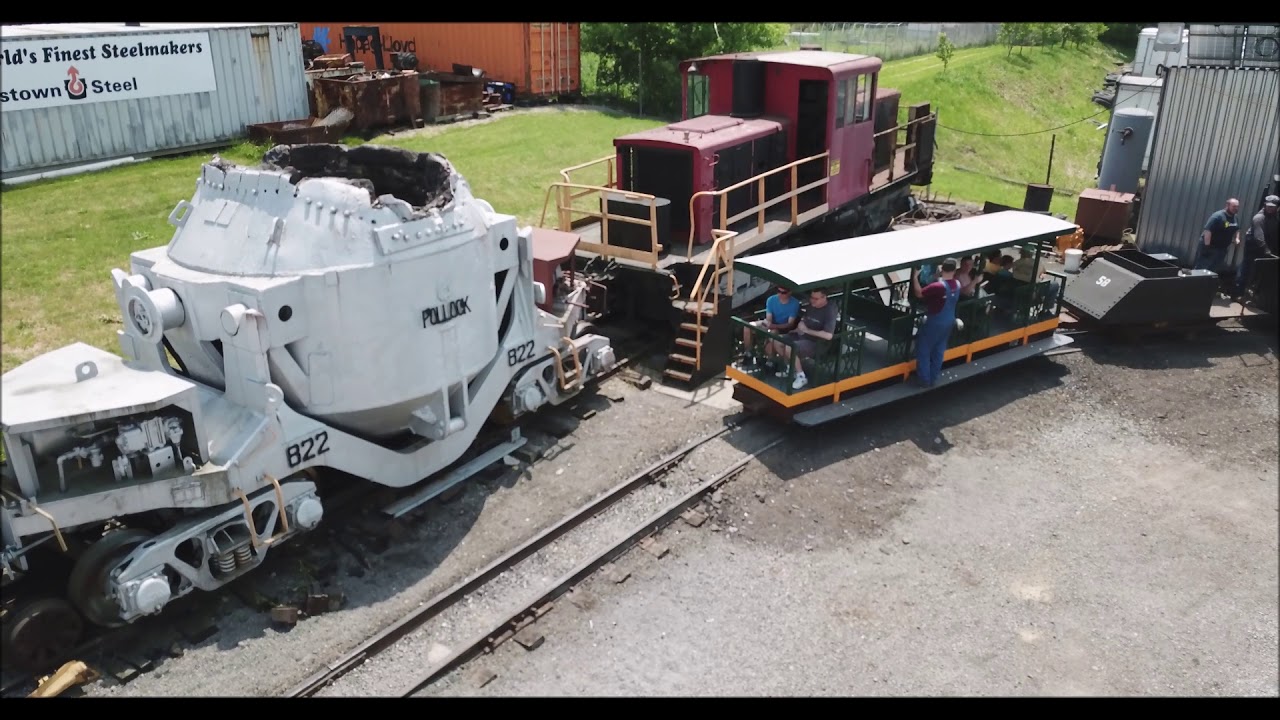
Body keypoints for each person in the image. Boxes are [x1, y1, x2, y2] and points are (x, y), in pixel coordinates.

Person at [911, 258, 963, 388]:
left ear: (941, 268)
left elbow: (919, 293)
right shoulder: (957, 284)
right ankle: (933, 377)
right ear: (955, 270)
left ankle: (924, 379)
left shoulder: (938, 286)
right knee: (939, 350)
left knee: (924, 349)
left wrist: (915, 278)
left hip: (935, 321)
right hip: (949, 320)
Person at [774, 288, 838, 390]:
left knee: (790, 347)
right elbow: (804, 320)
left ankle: (801, 376)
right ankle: (791, 368)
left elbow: (828, 335)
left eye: (815, 298)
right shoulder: (811, 306)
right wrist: (800, 326)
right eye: (811, 298)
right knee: (777, 340)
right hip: (802, 336)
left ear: (824, 298)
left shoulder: (829, 311)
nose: (812, 300)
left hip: (817, 343)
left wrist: (807, 330)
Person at [739, 287, 800, 366]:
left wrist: (773, 326)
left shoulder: (794, 303)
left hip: (783, 328)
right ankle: (748, 353)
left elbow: (789, 324)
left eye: (783, 293)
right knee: (748, 326)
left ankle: (770, 361)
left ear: (789, 292)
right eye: (778, 291)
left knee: (773, 332)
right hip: (771, 324)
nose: (780, 294)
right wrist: (767, 325)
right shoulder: (771, 299)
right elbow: (769, 319)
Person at [1235, 195, 1279, 300]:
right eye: (1268, 206)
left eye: (1272, 207)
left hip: (1264, 248)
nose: (1270, 208)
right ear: (1265, 205)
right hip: (1253, 247)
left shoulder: (1275, 218)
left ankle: (1253, 294)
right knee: (1246, 269)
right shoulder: (1259, 218)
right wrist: (1266, 249)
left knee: (1259, 273)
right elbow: (1259, 236)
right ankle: (1238, 294)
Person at [1194, 198, 1241, 274]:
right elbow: (1208, 231)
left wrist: (1237, 238)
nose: (1236, 208)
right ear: (1227, 205)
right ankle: (1194, 282)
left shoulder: (1235, 217)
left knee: (1213, 268)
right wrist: (1207, 247)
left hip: (1222, 248)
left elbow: (1237, 228)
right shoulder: (1218, 216)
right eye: (1234, 206)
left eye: (1237, 206)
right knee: (1202, 267)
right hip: (1211, 246)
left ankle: (1206, 283)